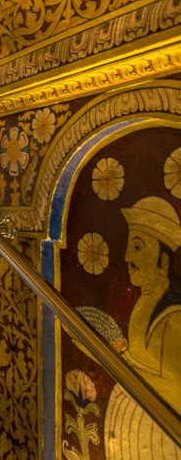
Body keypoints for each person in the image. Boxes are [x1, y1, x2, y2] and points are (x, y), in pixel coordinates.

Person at [103, 196, 181, 459]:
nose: (127, 257)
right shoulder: (145, 301)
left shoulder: (173, 317)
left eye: (137, 248)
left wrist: (117, 360)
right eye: (129, 248)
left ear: (163, 262)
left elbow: (175, 391)